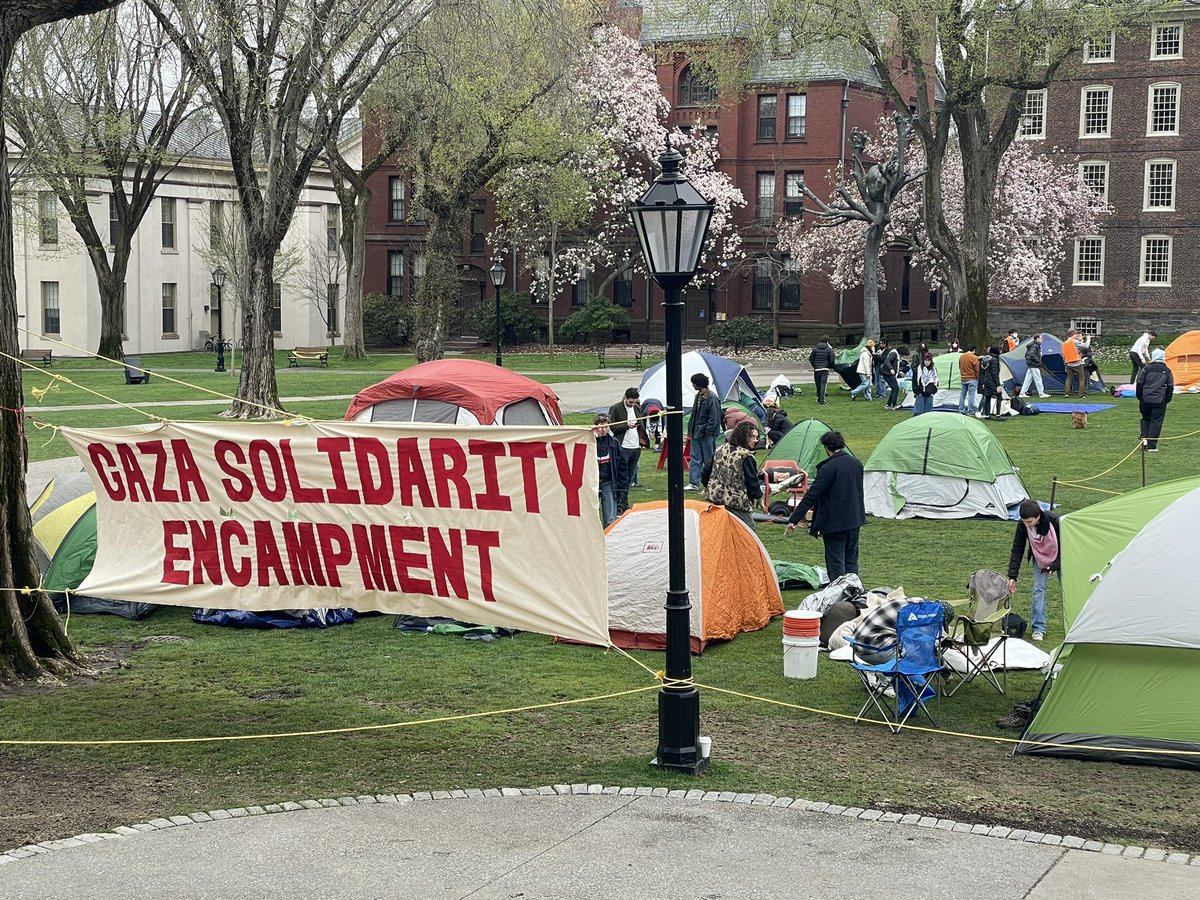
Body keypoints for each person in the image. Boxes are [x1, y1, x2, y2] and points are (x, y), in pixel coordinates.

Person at [785, 431, 865, 579]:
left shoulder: (828, 468)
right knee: (851, 562)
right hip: (855, 519)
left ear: (827, 448)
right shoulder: (856, 463)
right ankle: (854, 593)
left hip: (835, 523)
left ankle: (838, 596)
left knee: (836, 564)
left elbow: (812, 495)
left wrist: (793, 519)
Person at [1007, 498, 1060, 643]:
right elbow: (1017, 548)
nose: (1027, 525)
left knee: (1067, 590)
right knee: (1038, 589)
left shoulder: (1055, 521)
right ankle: (1038, 628)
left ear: (1038, 517)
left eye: (1029, 522)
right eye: (1024, 522)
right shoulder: (1023, 524)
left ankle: (1075, 624)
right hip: (1039, 557)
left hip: (1061, 557)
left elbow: (1067, 546)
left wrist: (1055, 565)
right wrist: (1013, 576)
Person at [702, 420, 763, 530]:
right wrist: (758, 496)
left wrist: (708, 487)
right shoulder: (746, 457)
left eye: (756, 437)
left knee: (719, 530)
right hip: (736, 502)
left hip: (715, 498)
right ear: (742, 436)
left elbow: (706, 471)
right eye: (751, 437)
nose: (755, 440)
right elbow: (752, 483)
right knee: (749, 531)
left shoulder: (720, 449)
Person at [608, 387, 648, 507]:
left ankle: (624, 503)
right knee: (622, 478)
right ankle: (621, 504)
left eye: (635, 402)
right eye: (631, 402)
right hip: (623, 447)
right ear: (625, 398)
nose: (633, 404)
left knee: (629, 477)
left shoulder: (636, 408)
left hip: (635, 447)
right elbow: (612, 427)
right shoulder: (616, 408)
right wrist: (627, 425)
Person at [686, 373, 721, 491]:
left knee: (709, 460)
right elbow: (694, 415)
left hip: (707, 434)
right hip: (696, 432)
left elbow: (715, 418)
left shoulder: (712, 397)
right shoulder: (698, 396)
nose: (692, 385)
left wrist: (708, 431)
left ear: (699, 384)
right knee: (695, 458)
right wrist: (691, 428)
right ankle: (693, 483)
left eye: (694, 383)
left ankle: (710, 483)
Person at [1135, 348, 1174, 452]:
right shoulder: (1167, 370)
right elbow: (1170, 386)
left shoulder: (1146, 369)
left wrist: (1140, 397)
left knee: (1145, 419)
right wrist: (1167, 399)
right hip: (1159, 400)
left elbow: (1139, 383)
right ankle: (1152, 445)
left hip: (1145, 399)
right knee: (1156, 421)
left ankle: (1144, 440)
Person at [592, 414, 627, 528]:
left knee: (610, 518)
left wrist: (622, 487)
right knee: (591, 516)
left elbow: (622, 466)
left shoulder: (614, 443)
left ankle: (608, 539)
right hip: (592, 484)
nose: (603, 430)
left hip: (608, 483)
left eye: (606, 427)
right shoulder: (589, 443)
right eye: (600, 427)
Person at [1020, 333, 1050, 398]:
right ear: (1037, 339)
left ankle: (1022, 393)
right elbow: (1032, 354)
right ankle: (1041, 393)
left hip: (1030, 365)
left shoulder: (1032, 345)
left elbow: (1028, 355)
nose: (1042, 339)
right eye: (1041, 338)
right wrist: (1038, 361)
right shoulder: (1035, 346)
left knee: (1027, 380)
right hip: (1034, 365)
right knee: (1038, 379)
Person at [977, 345, 1003, 418]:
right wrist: (998, 385)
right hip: (992, 381)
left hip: (985, 381)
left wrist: (982, 383)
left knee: (987, 397)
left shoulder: (984, 359)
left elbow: (981, 372)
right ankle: (998, 414)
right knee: (999, 396)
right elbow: (995, 373)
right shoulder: (994, 360)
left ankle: (987, 414)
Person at [809, 335, 835, 405]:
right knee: (823, 384)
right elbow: (832, 360)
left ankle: (818, 398)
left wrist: (815, 365)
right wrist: (830, 366)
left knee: (818, 384)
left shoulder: (815, 349)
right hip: (825, 368)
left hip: (817, 368)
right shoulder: (829, 349)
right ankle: (822, 400)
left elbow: (811, 358)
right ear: (827, 341)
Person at [1062, 329, 1088, 398]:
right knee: (1082, 379)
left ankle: (1067, 393)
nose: (1077, 336)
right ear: (1072, 335)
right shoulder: (1074, 341)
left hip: (1068, 363)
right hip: (1077, 363)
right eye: (1076, 334)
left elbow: (1064, 355)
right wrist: (1088, 339)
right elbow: (1085, 346)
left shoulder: (1064, 343)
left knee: (1069, 378)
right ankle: (1081, 394)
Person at [878, 339, 901, 409]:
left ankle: (888, 405)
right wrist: (891, 369)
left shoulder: (893, 352)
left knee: (894, 389)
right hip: (888, 374)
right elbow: (887, 361)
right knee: (896, 388)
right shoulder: (894, 353)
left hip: (886, 373)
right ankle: (894, 405)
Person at [958, 343, 979, 415]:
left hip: (963, 378)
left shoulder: (961, 357)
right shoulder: (974, 357)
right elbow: (977, 369)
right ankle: (970, 410)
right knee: (971, 395)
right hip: (972, 378)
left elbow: (960, 367)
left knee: (962, 394)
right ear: (974, 350)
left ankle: (961, 409)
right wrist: (977, 378)